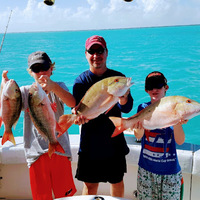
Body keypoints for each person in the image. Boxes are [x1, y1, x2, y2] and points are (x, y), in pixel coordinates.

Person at [1, 51, 77, 200]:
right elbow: (8, 104)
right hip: (35, 155)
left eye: (45, 67)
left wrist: (53, 87)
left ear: (51, 69)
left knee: (65, 196)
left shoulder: (59, 87)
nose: (41, 72)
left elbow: (72, 103)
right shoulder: (24, 92)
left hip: (60, 151)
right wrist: (4, 87)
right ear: (31, 73)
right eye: (36, 69)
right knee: (41, 197)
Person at [72, 35, 134, 197]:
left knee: (117, 181)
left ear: (106, 53)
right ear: (85, 54)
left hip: (114, 140)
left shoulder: (118, 78)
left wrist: (123, 97)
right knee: (90, 185)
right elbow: (78, 109)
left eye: (100, 50)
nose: (96, 55)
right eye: (91, 51)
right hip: (90, 142)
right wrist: (77, 117)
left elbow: (127, 108)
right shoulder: (80, 81)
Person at [134, 71, 186, 200]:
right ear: (146, 90)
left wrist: (178, 123)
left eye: (158, 85)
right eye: (150, 86)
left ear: (166, 87)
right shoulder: (143, 107)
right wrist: (137, 125)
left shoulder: (174, 109)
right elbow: (138, 136)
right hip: (146, 170)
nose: (154, 89)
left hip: (171, 172)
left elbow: (180, 141)